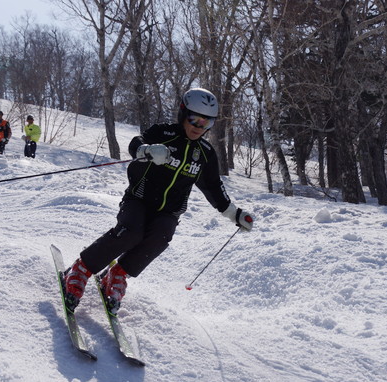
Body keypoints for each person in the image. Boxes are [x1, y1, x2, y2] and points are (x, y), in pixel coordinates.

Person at [62, 87, 254, 311]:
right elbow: (136, 143)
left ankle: (117, 274)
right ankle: (81, 269)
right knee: (131, 232)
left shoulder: (205, 154)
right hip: (139, 199)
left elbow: (213, 187)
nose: (198, 127)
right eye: (194, 119)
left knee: (161, 237)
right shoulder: (164, 133)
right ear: (183, 113)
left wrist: (235, 214)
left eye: (206, 123)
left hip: (169, 211)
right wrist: (147, 150)